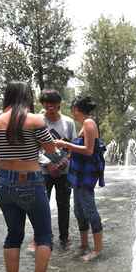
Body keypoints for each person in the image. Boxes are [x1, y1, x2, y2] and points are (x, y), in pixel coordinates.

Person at [0, 81, 60, 272]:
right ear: (27, 97)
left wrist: (9, 169)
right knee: (44, 234)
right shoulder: (35, 120)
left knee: (13, 234)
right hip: (30, 180)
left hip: (3, 183)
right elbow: (51, 150)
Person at [55, 96, 106, 262]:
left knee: (89, 209)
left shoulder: (89, 123)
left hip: (86, 174)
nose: (72, 112)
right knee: (78, 210)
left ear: (76, 109)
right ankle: (84, 244)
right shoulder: (85, 124)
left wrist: (66, 145)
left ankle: (98, 249)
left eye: (72, 109)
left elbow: (89, 150)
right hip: (79, 173)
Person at [37, 89, 76, 250]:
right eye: (46, 103)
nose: (49, 106)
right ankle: (44, 237)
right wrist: (48, 164)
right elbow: (34, 147)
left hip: (63, 171)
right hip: (43, 172)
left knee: (64, 205)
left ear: (59, 104)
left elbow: (73, 145)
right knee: (41, 206)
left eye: (52, 103)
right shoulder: (38, 121)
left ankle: (64, 238)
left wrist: (64, 162)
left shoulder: (68, 122)